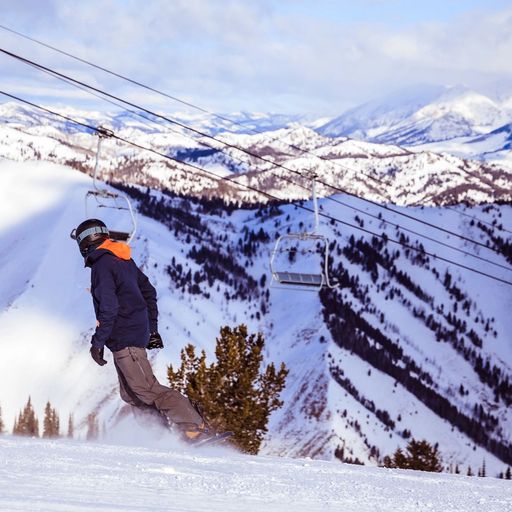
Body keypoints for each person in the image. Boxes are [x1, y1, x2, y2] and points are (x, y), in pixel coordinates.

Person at [70, 218, 212, 444]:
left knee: (147, 390)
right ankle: (158, 437)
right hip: (127, 336)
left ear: (85, 241)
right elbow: (149, 292)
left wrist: (97, 343)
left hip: (124, 337)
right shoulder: (122, 260)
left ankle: (195, 428)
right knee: (131, 394)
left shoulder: (102, 265)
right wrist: (151, 329)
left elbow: (109, 307)